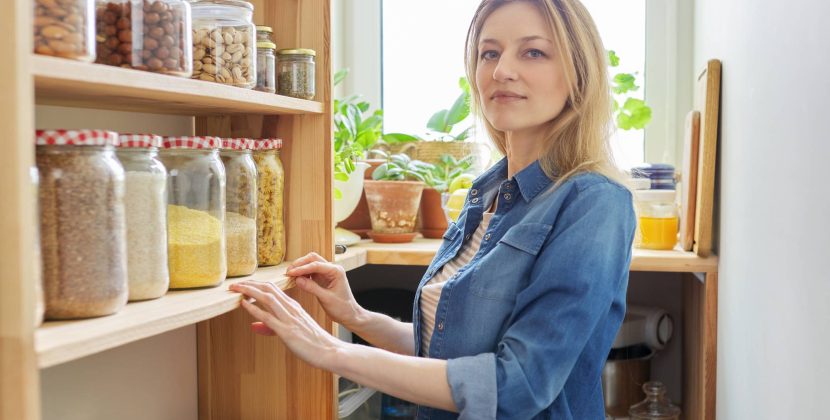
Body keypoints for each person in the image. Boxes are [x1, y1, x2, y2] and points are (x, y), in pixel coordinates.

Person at [230, 0, 636, 418]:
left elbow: (519, 385)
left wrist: (330, 351)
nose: (501, 71)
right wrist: (356, 316)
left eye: (533, 52)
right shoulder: (486, 194)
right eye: (489, 53)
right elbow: (448, 351)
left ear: (578, 73)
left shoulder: (595, 204)